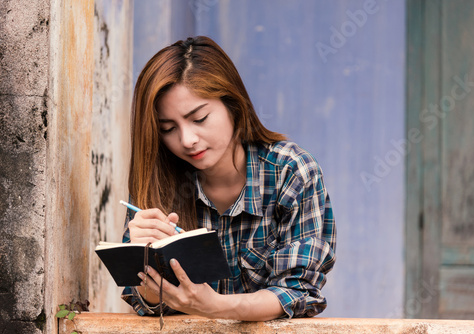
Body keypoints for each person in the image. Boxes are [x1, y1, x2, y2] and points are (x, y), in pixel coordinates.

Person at [121, 36, 336, 321]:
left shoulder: (290, 172)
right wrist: (145, 266)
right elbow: (149, 305)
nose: (187, 140)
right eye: (168, 128)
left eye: (199, 119)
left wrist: (214, 306)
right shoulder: (159, 179)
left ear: (233, 104)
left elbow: (297, 291)